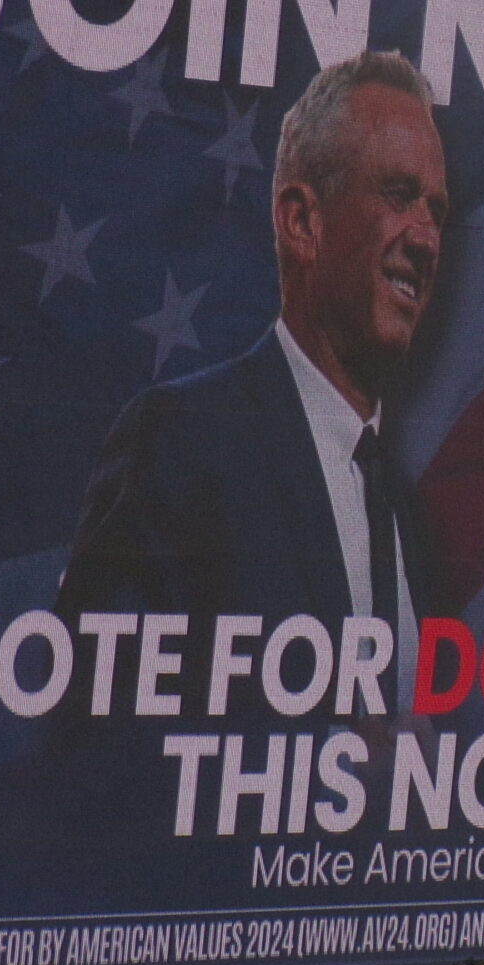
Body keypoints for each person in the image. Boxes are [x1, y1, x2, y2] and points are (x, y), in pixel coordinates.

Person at [59, 50, 446, 687]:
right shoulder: (181, 442)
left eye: (436, 211)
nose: (426, 238)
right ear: (302, 222)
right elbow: (93, 722)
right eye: (399, 196)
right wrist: (336, 757)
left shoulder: (407, 512)